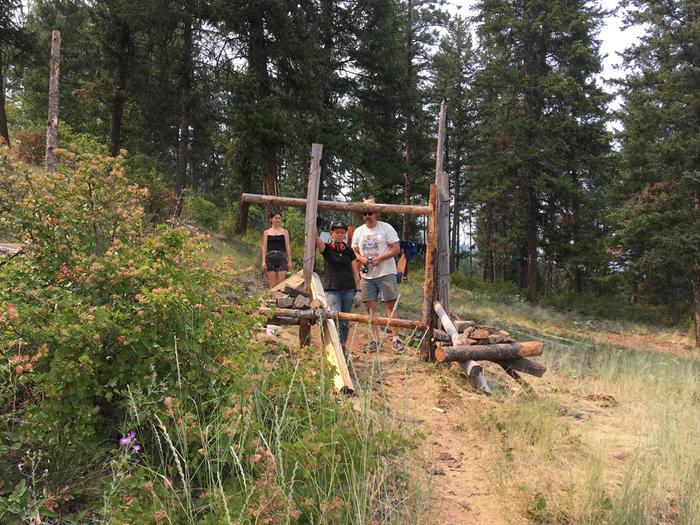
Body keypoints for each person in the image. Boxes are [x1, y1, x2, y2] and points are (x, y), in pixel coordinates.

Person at [351, 200, 403, 351]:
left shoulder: (386, 228)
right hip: (367, 275)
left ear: (377, 213)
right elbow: (353, 250)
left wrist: (381, 258)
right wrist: (361, 259)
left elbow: (396, 248)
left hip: (386, 272)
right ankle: (375, 341)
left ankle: (396, 339)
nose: (368, 216)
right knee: (370, 308)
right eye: (365, 213)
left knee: (390, 305)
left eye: (370, 213)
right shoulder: (358, 231)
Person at [315, 221, 361, 351]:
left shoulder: (349, 251)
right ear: (331, 234)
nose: (340, 235)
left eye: (342, 232)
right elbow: (316, 239)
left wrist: (358, 290)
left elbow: (355, 272)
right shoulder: (327, 249)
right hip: (332, 290)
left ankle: (342, 346)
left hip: (348, 290)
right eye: (337, 232)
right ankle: (333, 347)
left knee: (345, 321)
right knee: (334, 319)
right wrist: (313, 222)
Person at [261, 211, 292, 288]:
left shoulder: (285, 232)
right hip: (270, 257)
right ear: (271, 219)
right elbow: (264, 246)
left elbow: (288, 246)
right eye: (276, 218)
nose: (278, 220)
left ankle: (280, 298)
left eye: (279, 218)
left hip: (282, 257)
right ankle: (273, 299)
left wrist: (290, 261)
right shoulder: (266, 232)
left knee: (281, 284)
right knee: (273, 284)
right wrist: (263, 261)